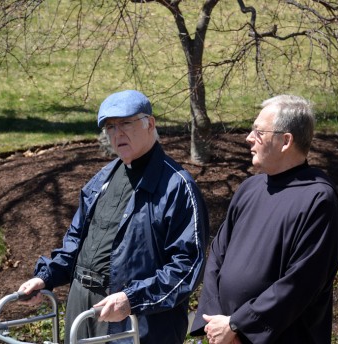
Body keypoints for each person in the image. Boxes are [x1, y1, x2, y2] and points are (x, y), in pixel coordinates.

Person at [18, 90, 209, 343]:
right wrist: (46, 277)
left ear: (150, 124)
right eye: (110, 127)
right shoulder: (102, 179)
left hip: (136, 321)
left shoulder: (177, 186)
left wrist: (132, 299)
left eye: (125, 124)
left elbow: (187, 267)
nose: (117, 134)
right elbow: (76, 241)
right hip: (84, 308)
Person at [190, 95, 338, 344]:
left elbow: (300, 283)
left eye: (258, 132)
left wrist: (239, 326)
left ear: (286, 141)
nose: (249, 138)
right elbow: (217, 255)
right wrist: (216, 320)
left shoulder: (318, 199)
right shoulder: (249, 187)